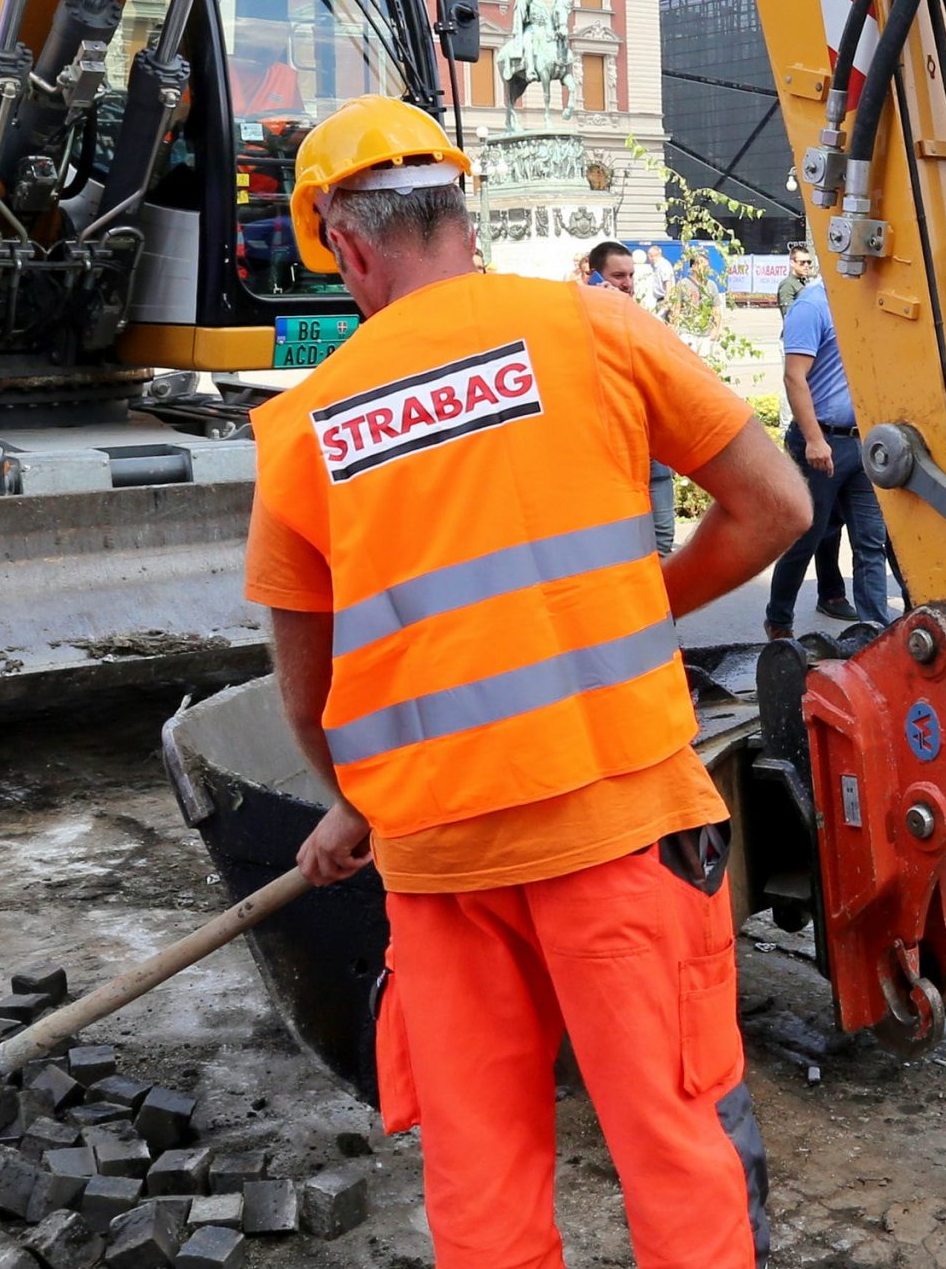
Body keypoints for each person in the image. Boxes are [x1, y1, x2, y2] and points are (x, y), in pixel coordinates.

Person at [251, 96, 803, 1269]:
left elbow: (309, 690)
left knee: (482, 1171)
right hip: (620, 832)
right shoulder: (594, 329)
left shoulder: (303, 423)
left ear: (346, 244)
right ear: (460, 209)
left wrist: (355, 799)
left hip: (441, 863)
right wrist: (634, 602)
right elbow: (777, 507)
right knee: (670, 1139)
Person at [764, 278, 893, 638]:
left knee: (871, 539)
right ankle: (779, 621)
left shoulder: (866, 300)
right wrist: (814, 439)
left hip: (862, 442)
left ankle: (873, 631)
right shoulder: (812, 306)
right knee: (807, 535)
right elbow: (794, 378)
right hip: (821, 442)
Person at [591, 240, 679, 556]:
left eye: (630, 275)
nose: (627, 284)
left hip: (653, 455)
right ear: (595, 277)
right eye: (618, 276)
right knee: (623, 551)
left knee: (663, 545)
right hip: (613, 458)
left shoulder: (642, 320)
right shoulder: (582, 325)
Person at [775, 243, 817, 316]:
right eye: (802, 262)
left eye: (808, 262)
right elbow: (789, 314)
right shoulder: (787, 284)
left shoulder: (804, 283)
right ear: (792, 263)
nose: (806, 265)